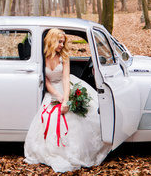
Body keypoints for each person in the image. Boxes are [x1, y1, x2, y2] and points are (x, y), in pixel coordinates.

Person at [24, 28, 111, 173]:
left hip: (67, 87)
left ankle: (77, 151)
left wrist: (65, 100)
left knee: (74, 117)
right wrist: (57, 95)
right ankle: (56, 151)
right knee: (48, 118)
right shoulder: (41, 57)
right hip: (52, 91)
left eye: (63, 42)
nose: (61, 45)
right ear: (51, 41)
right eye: (59, 42)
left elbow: (65, 78)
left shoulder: (63, 57)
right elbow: (46, 81)